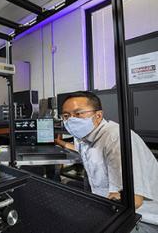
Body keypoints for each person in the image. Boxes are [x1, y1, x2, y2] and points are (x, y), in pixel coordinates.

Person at [55, 91, 158, 232]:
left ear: (98, 115)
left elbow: (133, 200)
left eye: (78, 114)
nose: (71, 120)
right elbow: (81, 148)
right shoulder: (85, 137)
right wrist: (60, 142)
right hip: (110, 208)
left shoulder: (115, 138)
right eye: (66, 116)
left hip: (140, 219)